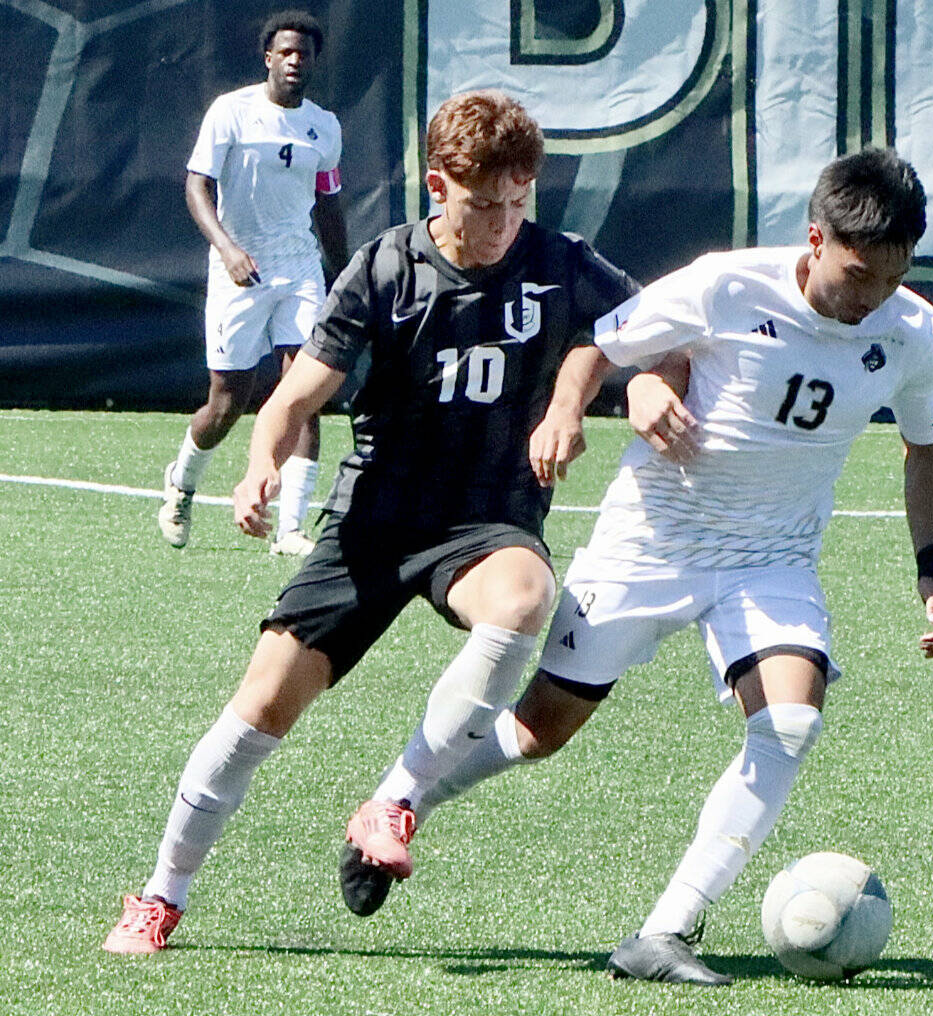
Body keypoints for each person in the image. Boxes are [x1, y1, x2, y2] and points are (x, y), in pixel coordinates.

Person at [335, 148, 933, 986]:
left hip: (771, 559)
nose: (872, 296)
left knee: (791, 721)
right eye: (858, 274)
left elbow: (925, 449)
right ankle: (400, 802)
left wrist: (932, 571)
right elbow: (599, 346)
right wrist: (590, 404)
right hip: (652, 540)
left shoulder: (913, 330)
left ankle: (664, 932)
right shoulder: (728, 284)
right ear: (816, 240)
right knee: (540, 729)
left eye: (892, 276)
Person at [103, 88, 637, 954]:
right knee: (260, 709)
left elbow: (638, 329)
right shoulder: (387, 267)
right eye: (483, 204)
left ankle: (395, 800)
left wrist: (574, 398)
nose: (503, 223)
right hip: (376, 519)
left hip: (488, 518)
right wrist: (260, 463)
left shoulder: (560, 261)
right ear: (437, 186)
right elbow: (295, 398)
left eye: (517, 202)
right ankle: (162, 895)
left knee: (524, 596)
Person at [158, 9, 348, 556]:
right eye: (285, 52)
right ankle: (181, 484)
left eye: (303, 54)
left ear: (313, 62)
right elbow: (197, 187)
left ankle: (290, 529)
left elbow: (328, 202)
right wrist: (227, 249)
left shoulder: (324, 126)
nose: (294, 61)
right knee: (227, 404)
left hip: (299, 269)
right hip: (239, 271)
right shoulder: (231, 112)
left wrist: (343, 272)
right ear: (268, 58)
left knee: (303, 391)